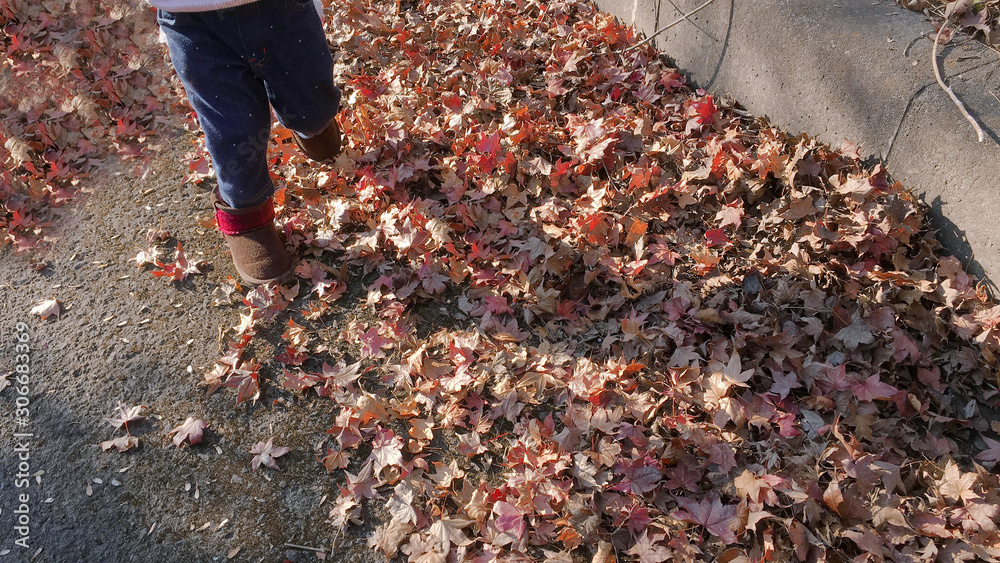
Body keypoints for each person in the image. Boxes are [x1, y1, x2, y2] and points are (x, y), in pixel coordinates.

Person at [151, 0, 342, 284]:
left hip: (281, 9)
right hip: (193, 20)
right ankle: (246, 213)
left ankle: (310, 125)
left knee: (312, 102)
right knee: (232, 126)